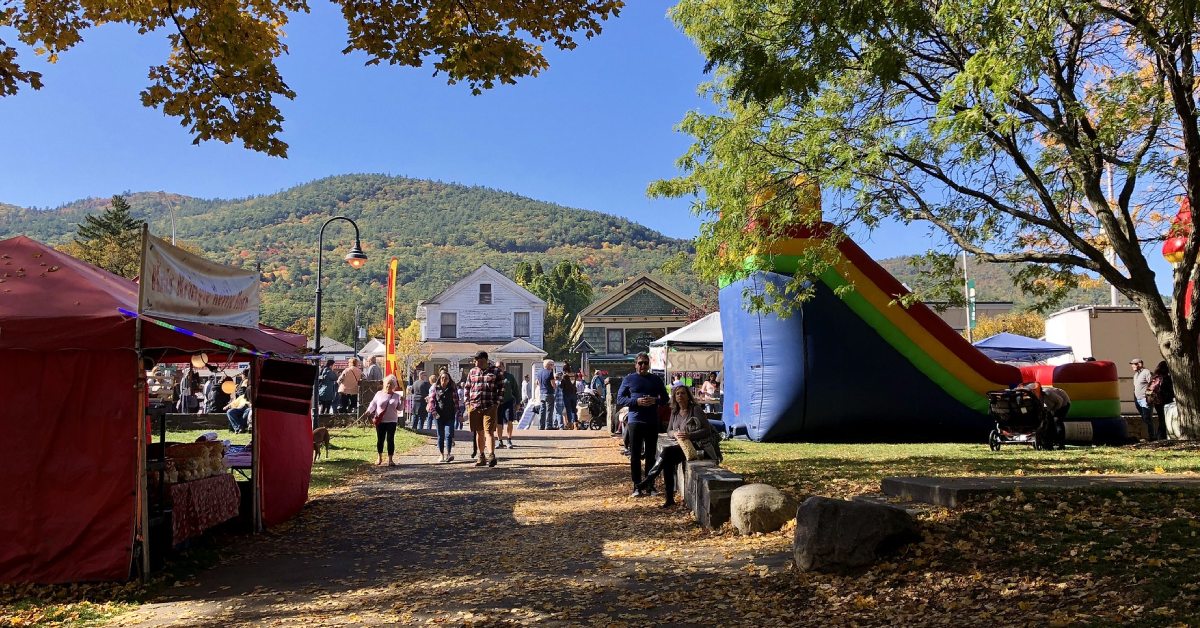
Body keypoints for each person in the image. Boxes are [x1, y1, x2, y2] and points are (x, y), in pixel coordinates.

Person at [637, 384, 719, 507]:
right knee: (668, 462)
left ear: (688, 396)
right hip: (682, 445)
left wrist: (689, 435)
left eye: (683, 393)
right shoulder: (674, 412)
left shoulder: (695, 409)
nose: (680, 395)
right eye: (677, 393)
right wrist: (675, 434)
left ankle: (650, 478)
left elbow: (707, 430)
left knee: (667, 452)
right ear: (674, 397)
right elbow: (669, 430)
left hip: (698, 446)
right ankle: (669, 498)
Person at [617, 352, 670, 497]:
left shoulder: (656, 379)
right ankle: (637, 486)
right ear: (635, 364)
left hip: (652, 421)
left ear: (649, 364)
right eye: (640, 363)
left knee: (651, 455)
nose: (643, 366)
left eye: (646, 363)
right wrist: (636, 402)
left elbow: (665, 399)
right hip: (635, 421)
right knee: (635, 455)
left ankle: (650, 485)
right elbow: (620, 399)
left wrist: (655, 401)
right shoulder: (629, 379)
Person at [465, 351, 504, 467]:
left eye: (480, 361)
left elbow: (501, 388)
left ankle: (491, 455)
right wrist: (468, 403)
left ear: (486, 360)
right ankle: (481, 456)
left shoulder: (496, 372)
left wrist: (497, 403)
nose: (478, 363)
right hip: (475, 405)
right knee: (479, 431)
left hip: (490, 405)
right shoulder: (472, 372)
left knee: (489, 431)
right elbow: (467, 388)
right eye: (476, 361)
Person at [365, 375, 404, 466]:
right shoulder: (379, 394)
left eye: (391, 384)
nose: (388, 385)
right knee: (380, 439)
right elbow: (373, 404)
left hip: (392, 421)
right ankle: (379, 457)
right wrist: (368, 411)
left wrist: (402, 402)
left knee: (390, 439)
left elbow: (400, 409)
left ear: (394, 386)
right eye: (387, 383)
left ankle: (390, 459)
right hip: (380, 421)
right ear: (384, 384)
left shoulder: (396, 396)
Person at [430, 369, 458, 462]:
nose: (444, 380)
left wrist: (459, 414)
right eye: (442, 378)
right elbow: (431, 401)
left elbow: (456, 403)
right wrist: (433, 411)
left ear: (449, 380)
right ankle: (441, 454)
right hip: (438, 416)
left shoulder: (452, 389)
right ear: (439, 379)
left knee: (449, 434)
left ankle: (449, 454)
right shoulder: (435, 388)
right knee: (440, 435)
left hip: (450, 415)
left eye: (446, 378)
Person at [495, 361, 519, 449]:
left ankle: (509, 439)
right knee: (498, 422)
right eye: (497, 367)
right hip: (498, 403)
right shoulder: (493, 377)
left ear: (503, 367)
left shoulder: (510, 377)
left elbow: (516, 390)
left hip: (508, 401)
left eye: (500, 366)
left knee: (509, 421)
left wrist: (518, 403)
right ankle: (500, 440)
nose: (498, 368)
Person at [1150, 361, 1175, 441]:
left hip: (1157, 401)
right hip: (1165, 401)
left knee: (1161, 419)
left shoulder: (1155, 377)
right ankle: (1162, 437)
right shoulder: (1166, 378)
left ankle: (1160, 437)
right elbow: (1170, 390)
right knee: (1164, 420)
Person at [1131, 358, 1155, 440]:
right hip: (1138, 400)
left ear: (1140, 364)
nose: (1132, 366)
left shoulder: (1146, 372)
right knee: (1144, 418)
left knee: (1147, 418)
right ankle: (1146, 436)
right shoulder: (1136, 375)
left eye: (1134, 364)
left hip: (1145, 399)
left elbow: (1152, 384)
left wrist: (1148, 397)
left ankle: (1152, 436)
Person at [537, 358, 557, 430]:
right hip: (549, 393)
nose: (553, 366)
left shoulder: (539, 372)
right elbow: (552, 383)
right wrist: (555, 387)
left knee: (542, 410)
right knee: (549, 410)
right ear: (548, 365)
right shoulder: (550, 372)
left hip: (542, 392)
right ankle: (548, 425)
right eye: (552, 365)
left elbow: (537, 383)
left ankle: (541, 426)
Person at [560, 365, 578, 429]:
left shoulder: (564, 376)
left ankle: (570, 424)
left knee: (568, 410)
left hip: (566, 394)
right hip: (574, 394)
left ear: (564, 370)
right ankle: (576, 424)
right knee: (574, 410)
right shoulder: (574, 375)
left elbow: (561, 386)